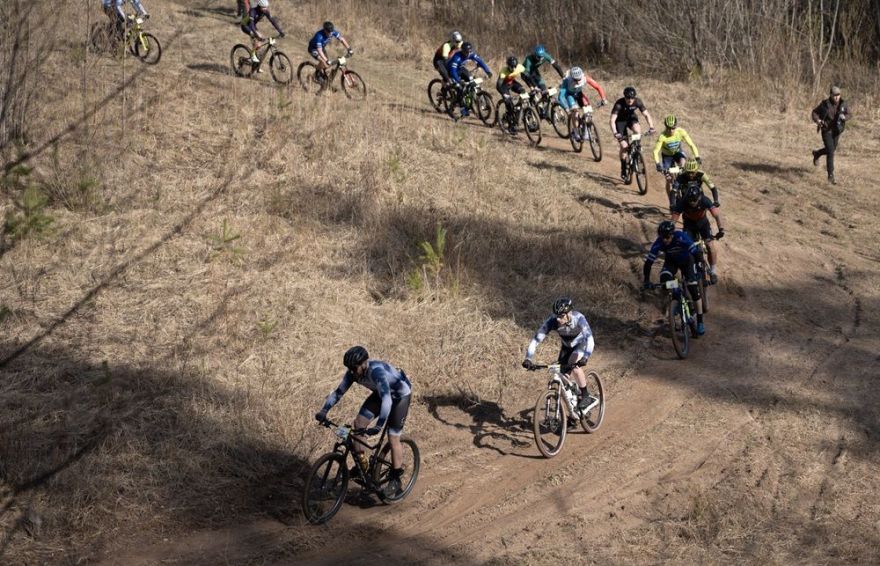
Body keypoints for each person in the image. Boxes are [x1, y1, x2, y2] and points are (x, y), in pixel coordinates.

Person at [315, 346, 413, 498]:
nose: (352, 371)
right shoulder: (352, 374)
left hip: (399, 396)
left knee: (393, 436)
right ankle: (363, 465)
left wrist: (379, 425)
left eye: (354, 368)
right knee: (359, 424)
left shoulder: (376, 372)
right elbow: (337, 393)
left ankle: (395, 478)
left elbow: (387, 399)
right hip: (381, 394)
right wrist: (324, 411)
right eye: (350, 368)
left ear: (363, 363)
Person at [522, 297, 598, 411]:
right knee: (556, 371)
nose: (558, 319)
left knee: (574, 364)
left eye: (561, 316)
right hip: (566, 348)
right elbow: (536, 340)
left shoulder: (579, 319)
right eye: (557, 315)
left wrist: (585, 357)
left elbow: (590, 340)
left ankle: (585, 395)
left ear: (569, 313)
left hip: (580, 345)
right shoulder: (552, 321)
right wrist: (528, 358)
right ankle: (573, 407)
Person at [643, 220, 706, 335]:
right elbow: (648, 263)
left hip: (687, 262)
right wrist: (646, 280)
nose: (665, 240)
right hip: (671, 263)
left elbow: (696, 253)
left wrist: (700, 266)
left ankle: (700, 321)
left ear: (672, 234)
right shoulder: (659, 242)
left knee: (693, 290)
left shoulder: (681, 237)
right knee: (664, 280)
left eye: (667, 237)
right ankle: (675, 302)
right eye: (662, 237)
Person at [670, 167, 726, 285]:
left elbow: (716, 215)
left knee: (710, 246)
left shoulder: (705, 200)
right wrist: (670, 230)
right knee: (687, 249)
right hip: (689, 225)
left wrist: (721, 229)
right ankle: (689, 271)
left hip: (703, 224)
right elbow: (674, 219)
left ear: (699, 197)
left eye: (695, 200)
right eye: (690, 201)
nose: (693, 203)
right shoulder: (683, 202)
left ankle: (713, 271)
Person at [610, 86, 656, 182]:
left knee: (637, 130)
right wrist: (615, 133)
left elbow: (646, 115)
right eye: (628, 98)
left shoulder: (637, 102)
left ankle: (637, 147)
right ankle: (623, 168)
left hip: (631, 118)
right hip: (620, 122)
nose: (630, 100)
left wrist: (651, 127)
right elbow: (612, 120)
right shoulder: (619, 104)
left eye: (632, 98)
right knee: (624, 146)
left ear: (635, 97)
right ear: (624, 97)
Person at [652, 114, 701, 204]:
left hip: (678, 153)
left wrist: (697, 156)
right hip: (667, 157)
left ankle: (682, 181)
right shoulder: (662, 136)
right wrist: (658, 164)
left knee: (683, 163)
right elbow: (655, 151)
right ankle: (671, 200)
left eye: (673, 128)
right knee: (669, 179)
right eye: (668, 128)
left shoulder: (681, 132)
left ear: (676, 127)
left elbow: (691, 144)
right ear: (665, 127)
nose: (671, 130)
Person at [811, 85, 850, 185]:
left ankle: (817, 153)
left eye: (838, 95)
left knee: (831, 149)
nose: (837, 97)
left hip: (837, 131)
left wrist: (845, 117)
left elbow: (850, 114)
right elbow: (814, 112)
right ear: (831, 95)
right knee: (831, 152)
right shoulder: (824, 104)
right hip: (826, 130)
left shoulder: (843, 103)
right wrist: (818, 120)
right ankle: (830, 176)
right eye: (835, 95)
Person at [557, 67, 607, 141]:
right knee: (575, 111)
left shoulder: (585, 78)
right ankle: (576, 132)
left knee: (588, 110)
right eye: (575, 80)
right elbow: (560, 96)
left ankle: (586, 133)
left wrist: (603, 98)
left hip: (579, 94)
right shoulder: (567, 80)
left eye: (579, 79)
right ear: (571, 77)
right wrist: (566, 108)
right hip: (569, 95)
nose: (577, 81)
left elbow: (598, 87)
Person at [446, 42, 492, 118]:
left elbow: (480, 61)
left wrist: (488, 71)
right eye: (466, 52)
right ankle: (462, 109)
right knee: (460, 88)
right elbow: (453, 71)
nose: (468, 54)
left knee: (471, 80)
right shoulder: (457, 57)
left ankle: (469, 99)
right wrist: (458, 81)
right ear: (463, 51)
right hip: (452, 71)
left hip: (461, 69)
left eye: (469, 52)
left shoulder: (470, 54)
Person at [240, 0, 284, 66]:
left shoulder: (265, 11)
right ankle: (252, 57)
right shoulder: (253, 11)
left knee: (260, 43)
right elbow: (251, 24)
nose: (265, 9)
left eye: (266, 7)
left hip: (253, 26)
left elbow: (273, 21)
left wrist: (280, 31)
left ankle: (256, 62)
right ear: (259, 6)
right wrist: (256, 34)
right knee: (257, 41)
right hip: (246, 26)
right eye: (263, 7)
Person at [496, 56, 527, 133]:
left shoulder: (519, 67)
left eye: (514, 67)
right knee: (509, 104)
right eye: (511, 67)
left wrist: (533, 86)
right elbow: (499, 85)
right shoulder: (503, 71)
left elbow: (528, 76)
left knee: (523, 92)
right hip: (503, 86)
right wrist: (504, 94)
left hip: (512, 83)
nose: (513, 69)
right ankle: (511, 126)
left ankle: (518, 110)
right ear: (508, 65)